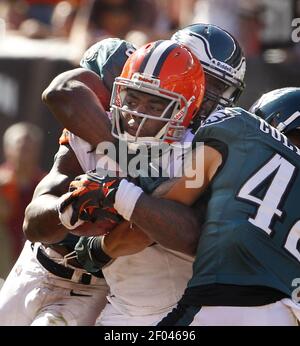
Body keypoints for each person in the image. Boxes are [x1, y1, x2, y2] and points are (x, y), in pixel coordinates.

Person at [44, 24, 247, 326]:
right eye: (208, 80)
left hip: (182, 303)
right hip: (89, 285)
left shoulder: (217, 142)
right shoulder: (133, 99)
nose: (211, 96)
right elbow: (63, 92)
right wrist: (125, 154)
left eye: (221, 88)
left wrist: (103, 243)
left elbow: (180, 230)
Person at [0, 38, 136, 326]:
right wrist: (68, 209)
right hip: (36, 266)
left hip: (93, 287)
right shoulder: (82, 132)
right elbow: (34, 223)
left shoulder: (167, 145)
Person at [0, 122, 45, 278]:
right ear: (7, 149)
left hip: (32, 261)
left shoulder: (45, 184)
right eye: (20, 146)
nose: (24, 152)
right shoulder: (2, 182)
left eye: (29, 147)